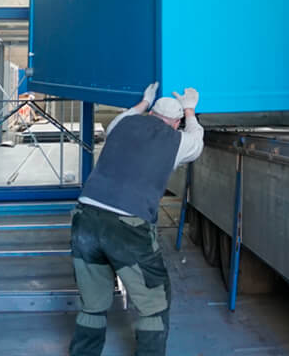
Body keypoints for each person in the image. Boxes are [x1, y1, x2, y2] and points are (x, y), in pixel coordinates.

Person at [69, 82, 202, 356]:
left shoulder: (121, 125)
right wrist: (190, 110)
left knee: (93, 304)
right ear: (175, 123)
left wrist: (145, 101)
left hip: (85, 217)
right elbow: (197, 142)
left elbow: (129, 114)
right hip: (126, 223)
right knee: (154, 302)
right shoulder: (175, 140)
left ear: (152, 114)